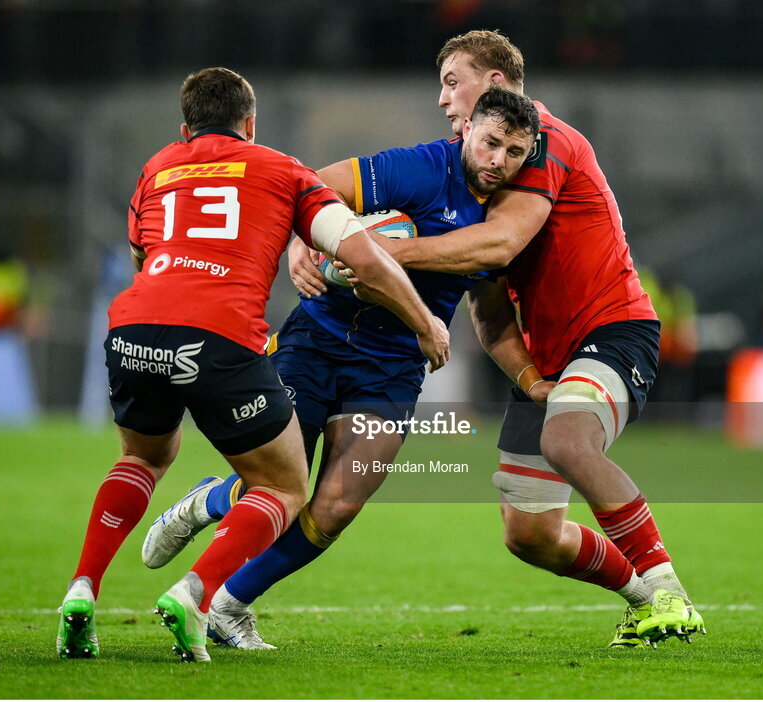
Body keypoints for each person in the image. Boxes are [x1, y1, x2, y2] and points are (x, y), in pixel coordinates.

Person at [295, 30, 703, 647]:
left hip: (613, 329)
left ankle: (669, 590)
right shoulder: (464, 173)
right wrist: (308, 238)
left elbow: (499, 244)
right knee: (530, 533)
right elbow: (488, 312)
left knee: (567, 441)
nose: (442, 98)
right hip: (546, 354)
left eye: (452, 80)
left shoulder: (547, 141)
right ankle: (645, 600)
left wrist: (379, 250)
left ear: (494, 83)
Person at [56, 67, 449, 663]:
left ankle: (81, 589)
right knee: (283, 484)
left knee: (141, 456)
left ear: (186, 127)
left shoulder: (160, 166)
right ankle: (196, 594)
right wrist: (425, 323)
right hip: (220, 335)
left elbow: (142, 249)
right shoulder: (283, 171)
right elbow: (364, 259)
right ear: (251, 122)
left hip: (135, 326)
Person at [140, 87, 540, 648]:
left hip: (394, 366)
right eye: (491, 142)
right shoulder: (419, 167)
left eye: (515, 151)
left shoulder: (508, 221)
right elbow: (314, 185)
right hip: (318, 339)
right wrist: (302, 244)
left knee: (338, 503)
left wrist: (530, 378)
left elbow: (493, 312)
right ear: (467, 129)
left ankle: (231, 604)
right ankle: (205, 512)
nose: (498, 160)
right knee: (285, 483)